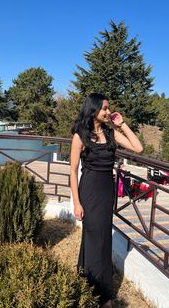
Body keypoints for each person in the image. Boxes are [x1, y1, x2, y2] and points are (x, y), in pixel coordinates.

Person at [70, 93, 143, 307]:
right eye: (104, 109)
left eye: (108, 108)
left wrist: (122, 124)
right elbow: (73, 171)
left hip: (106, 190)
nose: (108, 112)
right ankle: (102, 295)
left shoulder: (111, 134)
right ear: (93, 110)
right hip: (90, 190)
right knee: (96, 238)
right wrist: (76, 202)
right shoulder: (80, 136)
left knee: (102, 239)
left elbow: (138, 148)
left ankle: (86, 279)